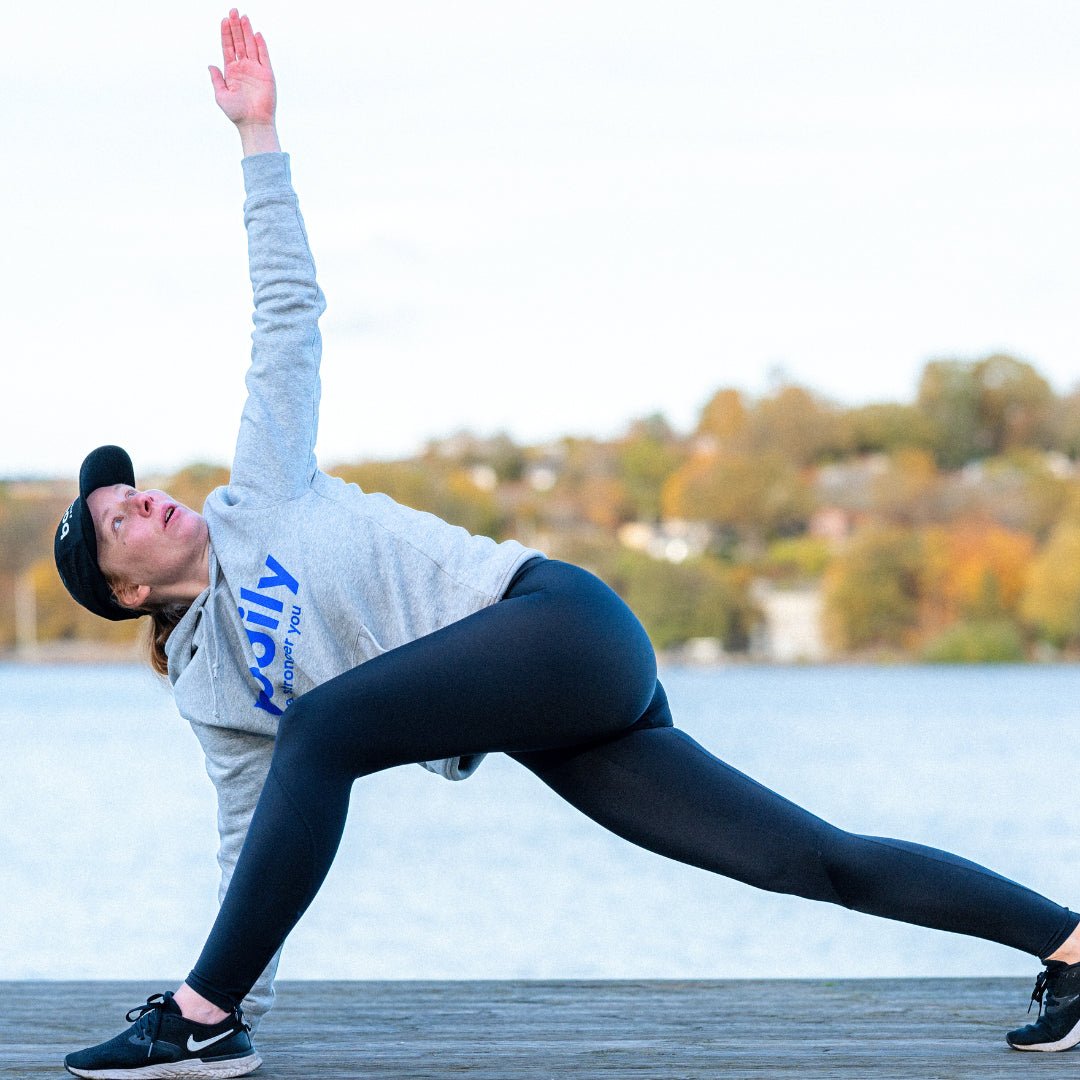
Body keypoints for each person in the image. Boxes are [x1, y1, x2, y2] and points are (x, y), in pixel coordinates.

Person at [54, 11, 1080, 1077]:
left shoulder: (258, 490)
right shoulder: (213, 693)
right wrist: (244, 986)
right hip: (552, 712)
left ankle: (199, 1018)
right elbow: (246, 841)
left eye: (137, 491)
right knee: (806, 861)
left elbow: (287, 314)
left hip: (552, 625)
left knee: (324, 729)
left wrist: (256, 138)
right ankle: (1071, 945)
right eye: (119, 520)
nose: (147, 504)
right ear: (126, 593)